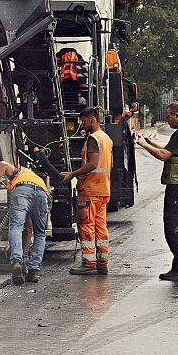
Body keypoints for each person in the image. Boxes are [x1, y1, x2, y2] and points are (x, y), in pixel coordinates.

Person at [136, 101, 178, 282]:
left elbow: (164, 155)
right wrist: (150, 140)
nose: (166, 119)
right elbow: (170, 150)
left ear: (177, 115)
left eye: (168, 116)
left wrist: (143, 144)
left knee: (173, 227)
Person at [62, 106, 113, 275]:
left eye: (84, 121)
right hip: (103, 189)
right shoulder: (106, 139)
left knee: (86, 226)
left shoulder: (93, 139)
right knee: (101, 227)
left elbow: (92, 164)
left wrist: (72, 175)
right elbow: (108, 165)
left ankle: (89, 263)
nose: (82, 125)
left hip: (90, 190)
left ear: (93, 120)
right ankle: (102, 263)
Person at [0, 159, 50, 284]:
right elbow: (29, 230)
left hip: (22, 191)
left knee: (16, 227)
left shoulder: (19, 171)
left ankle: (16, 261)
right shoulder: (36, 178)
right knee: (40, 233)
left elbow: (2, 164)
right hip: (42, 195)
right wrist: (25, 256)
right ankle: (34, 271)